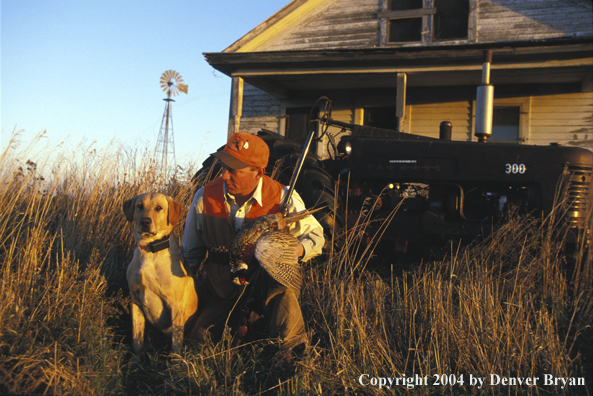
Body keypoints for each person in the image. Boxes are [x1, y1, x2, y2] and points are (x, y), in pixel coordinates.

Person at [182, 132, 325, 351]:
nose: (225, 176)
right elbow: (190, 256)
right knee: (197, 345)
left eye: (233, 171)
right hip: (224, 291)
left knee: (283, 301)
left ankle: (291, 356)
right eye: (223, 167)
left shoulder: (282, 196)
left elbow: (316, 236)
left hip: (269, 290)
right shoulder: (204, 197)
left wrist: (289, 250)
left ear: (258, 173)